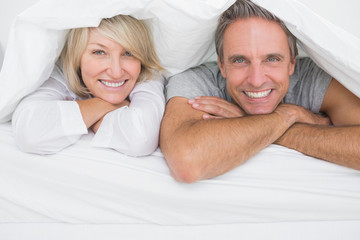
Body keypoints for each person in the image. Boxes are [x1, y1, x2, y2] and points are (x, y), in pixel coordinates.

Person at [160, 0, 360, 183]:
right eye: (239, 60)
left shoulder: (313, 78)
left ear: (292, 63)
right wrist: (285, 116)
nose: (256, 81)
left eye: (272, 59)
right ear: (222, 65)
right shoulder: (196, 82)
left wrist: (278, 131)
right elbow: (187, 163)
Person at [12, 15, 165, 157]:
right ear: (77, 57)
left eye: (128, 53)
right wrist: (103, 105)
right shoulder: (62, 73)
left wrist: (86, 114)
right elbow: (30, 133)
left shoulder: (148, 74)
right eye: (99, 52)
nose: (116, 72)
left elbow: (140, 139)